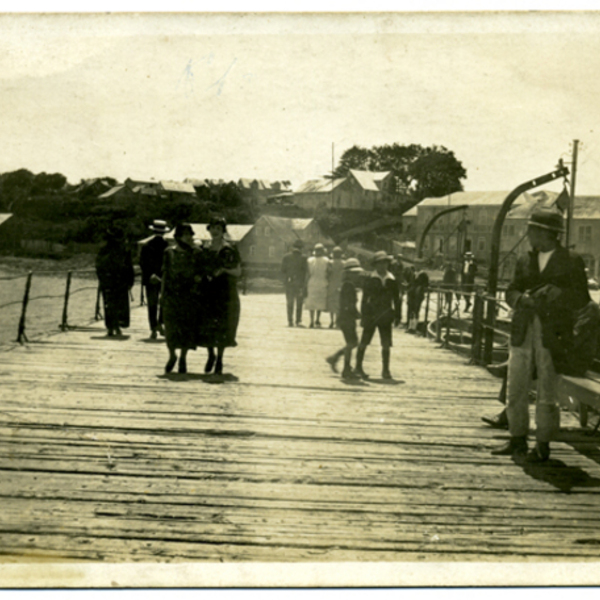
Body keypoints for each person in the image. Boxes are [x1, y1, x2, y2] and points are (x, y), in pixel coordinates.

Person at [491, 208, 591, 462]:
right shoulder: (524, 259)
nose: (527, 234)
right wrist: (520, 299)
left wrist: (559, 294)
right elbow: (511, 290)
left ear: (545, 233)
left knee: (548, 388)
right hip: (523, 329)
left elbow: (582, 299)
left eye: (531, 229)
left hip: (552, 334)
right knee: (516, 384)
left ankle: (543, 444)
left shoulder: (571, 260)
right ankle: (517, 439)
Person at [201, 216, 242, 376]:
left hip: (226, 293)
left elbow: (238, 272)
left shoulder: (230, 249)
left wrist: (224, 270)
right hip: (208, 292)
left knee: (223, 326)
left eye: (219, 228)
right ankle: (210, 354)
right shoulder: (204, 248)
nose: (215, 231)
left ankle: (219, 359)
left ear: (223, 230)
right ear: (209, 230)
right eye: (212, 228)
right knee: (207, 325)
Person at [160, 223, 202, 374]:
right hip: (172, 294)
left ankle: (183, 357)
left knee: (186, 328)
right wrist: (162, 294)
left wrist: (198, 280)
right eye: (185, 234)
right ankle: (172, 355)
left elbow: (200, 273)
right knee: (170, 328)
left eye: (190, 234)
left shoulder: (196, 252)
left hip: (189, 295)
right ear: (177, 236)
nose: (188, 237)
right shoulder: (169, 252)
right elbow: (165, 274)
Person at [354, 251, 401, 380]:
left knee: (386, 343)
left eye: (385, 263)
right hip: (371, 314)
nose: (383, 266)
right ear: (375, 265)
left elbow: (397, 299)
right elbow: (364, 298)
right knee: (365, 341)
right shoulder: (370, 279)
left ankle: (385, 370)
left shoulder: (392, 280)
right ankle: (358, 367)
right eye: (380, 263)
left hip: (386, 315)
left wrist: (398, 315)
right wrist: (364, 315)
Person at [325, 258, 365, 380]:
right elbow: (348, 304)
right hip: (347, 318)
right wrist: (357, 314)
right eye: (354, 273)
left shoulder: (347, 285)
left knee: (352, 343)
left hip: (345, 317)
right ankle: (344, 367)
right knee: (352, 343)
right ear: (349, 274)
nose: (357, 276)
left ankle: (337, 360)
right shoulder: (349, 285)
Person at [96, 227, 135, 337]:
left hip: (109, 281)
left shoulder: (104, 250)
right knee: (119, 304)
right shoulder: (124, 250)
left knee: (109, 304)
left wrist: (102, 280)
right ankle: (116, 326)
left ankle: (111, 327)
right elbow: (129, 267)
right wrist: (130, 282)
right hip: (120, 281)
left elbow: (99, 266)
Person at [139, 219, 170, 339]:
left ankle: (154, 328)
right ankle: (159, 324)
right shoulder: (167, 246)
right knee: (163, 304)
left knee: (152, 305)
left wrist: (150, 274)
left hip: (151, 278)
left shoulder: (147, 246)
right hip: (163, 279)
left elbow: (143, 263)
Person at [281, 239, 307, 327]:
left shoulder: (286, 257)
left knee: (290, 302)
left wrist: (285, 281)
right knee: (299, 303)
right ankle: (298, 320)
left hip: (289, 282)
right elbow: (305, 272)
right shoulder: (304, 258)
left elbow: (282, 271)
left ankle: (290, 321)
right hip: (299, 283)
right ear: (301, 248)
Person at [304, 243, 330, 328]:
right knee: (320, 302)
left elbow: (308, 273)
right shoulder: (326, 260)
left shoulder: (310, 260)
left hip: (312, 282)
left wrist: (305, 283)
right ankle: (317, 319)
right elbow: (328, 272)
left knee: (312, 302)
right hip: (322, 281)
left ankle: (311, 321)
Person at [326, 247, 345, 328]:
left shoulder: (330, 262)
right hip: (340, 284)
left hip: (331, 284)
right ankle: (337, 321)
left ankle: (331, 321)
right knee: (339, 303)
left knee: (331, 303)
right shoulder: (344, 263)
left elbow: (327, 274)